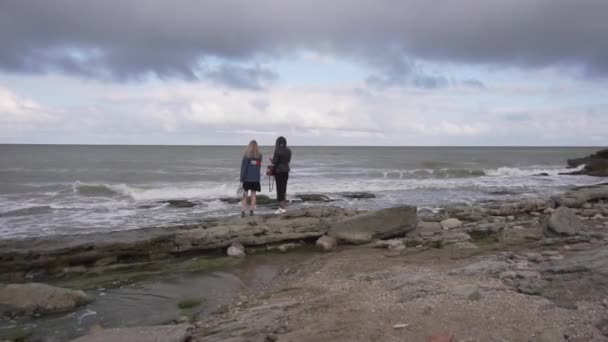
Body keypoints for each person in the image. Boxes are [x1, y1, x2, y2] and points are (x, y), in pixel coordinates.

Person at [240, 140, 262, 218]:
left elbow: (244, 168)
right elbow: (258, 168)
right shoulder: (259, 156)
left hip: (247, 179)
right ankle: (251, 211)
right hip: (255, 179)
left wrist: (241, 179)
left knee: (245, 195)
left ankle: (243, 212)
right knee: (253, 195)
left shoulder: (246, 156)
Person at [271, 136, 291, 214]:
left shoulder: (277, 150)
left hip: (279, 171)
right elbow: (288, 161)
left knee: (279, 189)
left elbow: (275, 162)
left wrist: (271, 160)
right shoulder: (288, 150)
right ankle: (284, 206)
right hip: (286, 170)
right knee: (284, 188)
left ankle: (281, 208)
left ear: (278, 142)